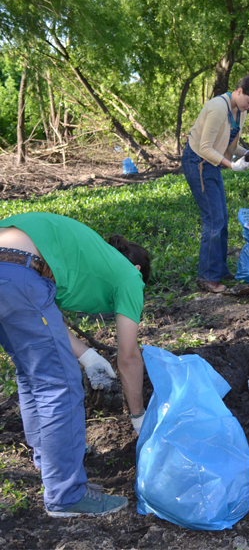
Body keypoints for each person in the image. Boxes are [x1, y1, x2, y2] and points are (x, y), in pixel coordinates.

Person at [0, 212, 151, 515]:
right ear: (137, 269)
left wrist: (87, 354)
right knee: (60, 385)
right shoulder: (130, 277)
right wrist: (138, 417)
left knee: (33, 374)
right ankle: (65, 494)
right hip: (19, 269)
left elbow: (44, 317)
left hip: (13, 269)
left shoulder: (85, 257)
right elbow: (129, 357)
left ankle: (51, 463)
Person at [183, 74, 249, 293]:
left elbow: (230, 144)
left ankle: (218, 270)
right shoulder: (218, 108)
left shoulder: (240, 112)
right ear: (239, 92)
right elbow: (204, 148)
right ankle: (207, 277)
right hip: (198, 162)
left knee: (222, 219)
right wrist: (232, 166)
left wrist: (247, 153)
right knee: (213, 219)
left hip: (213, 163)